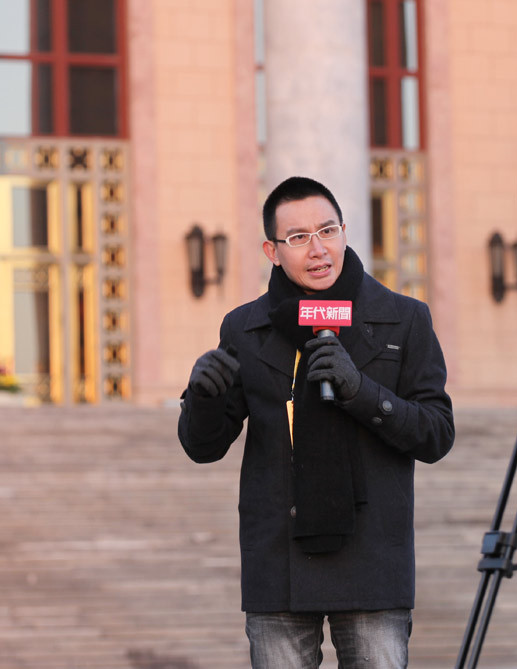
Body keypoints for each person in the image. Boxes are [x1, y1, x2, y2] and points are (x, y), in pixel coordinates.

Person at [177, 176, 454, 668]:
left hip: (373, 561)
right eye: (299, 237)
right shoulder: (245, 327)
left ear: (345, 231)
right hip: (277, 561)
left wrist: (360, 391)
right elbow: (205, 446)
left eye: (327, 230)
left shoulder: (405, 319)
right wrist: (202, 398)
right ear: (272, 250)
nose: (318, 249)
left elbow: (436, 433)